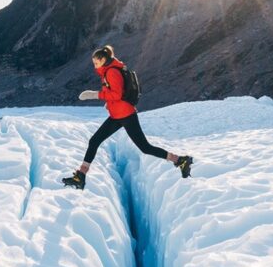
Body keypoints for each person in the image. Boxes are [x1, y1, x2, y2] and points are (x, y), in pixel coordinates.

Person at [62, 45, 192, 190]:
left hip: (126, 115)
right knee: (94, 141)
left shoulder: (111, 72)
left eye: (96, 63)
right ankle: (80, 175)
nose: (95, 66)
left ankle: (181, 160)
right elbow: (115, 94)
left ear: (103, 59)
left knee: (145, 147)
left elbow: (117, 94)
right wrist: (109, 103)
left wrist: (95, 94)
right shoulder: (108, 70)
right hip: (117, 114)